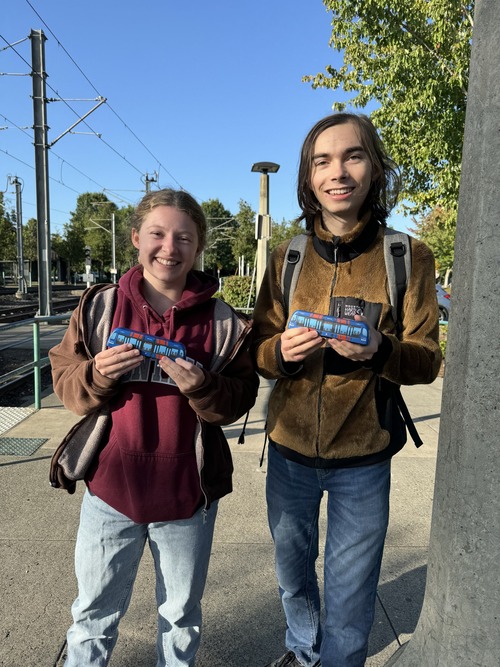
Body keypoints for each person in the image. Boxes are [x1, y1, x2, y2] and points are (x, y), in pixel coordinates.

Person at [252, 113, 441, 667]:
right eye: (322, 161)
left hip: (364, 458)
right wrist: (280, 354)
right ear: (309, 178)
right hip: (287, 452)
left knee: (351, 592)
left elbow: (428, 360)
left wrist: (381, 352)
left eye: (353, 156)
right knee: (292, 578)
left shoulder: (407, 256)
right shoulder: (287, 258)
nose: (338, 172)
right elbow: (260, 347)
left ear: (375, 167)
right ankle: (302, 649)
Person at [49, 188, 259, 667]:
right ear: (135, 238)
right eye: (158, 234)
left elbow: (240, 399)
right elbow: (66, 383)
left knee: (181, 616)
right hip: (109, 492)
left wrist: (204, 386)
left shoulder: (223, 321)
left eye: (184, 237)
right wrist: (96, 375)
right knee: (93, 615)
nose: (170, 247)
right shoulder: (99, 307)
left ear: (199, 246)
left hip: (188, 497)